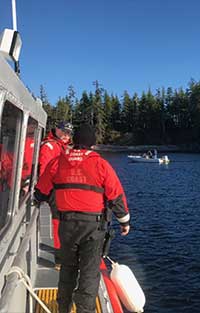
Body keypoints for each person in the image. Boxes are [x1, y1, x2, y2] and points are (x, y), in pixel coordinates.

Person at [34, 123, 130, 313]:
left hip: (66, 225)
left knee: (68, 268)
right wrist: (124, 221)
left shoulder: (57, 162)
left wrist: (39, 197)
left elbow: (41, 191)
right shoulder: (100, 164)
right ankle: (85, 310)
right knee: (89, 272)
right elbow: (115, 195)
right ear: (92, 144)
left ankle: (63, 307)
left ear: (75, 141)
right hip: (92, 228)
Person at [38, 121, 73, 269]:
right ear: (57, 130)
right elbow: (44, 171)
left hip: (63, 190)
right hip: (55, 190)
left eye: (69, 133)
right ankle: (60, 259)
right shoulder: (50, 146)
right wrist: (44, 192)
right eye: (64, 131)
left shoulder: (62, 147)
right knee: (59, 223)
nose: (66, 135)